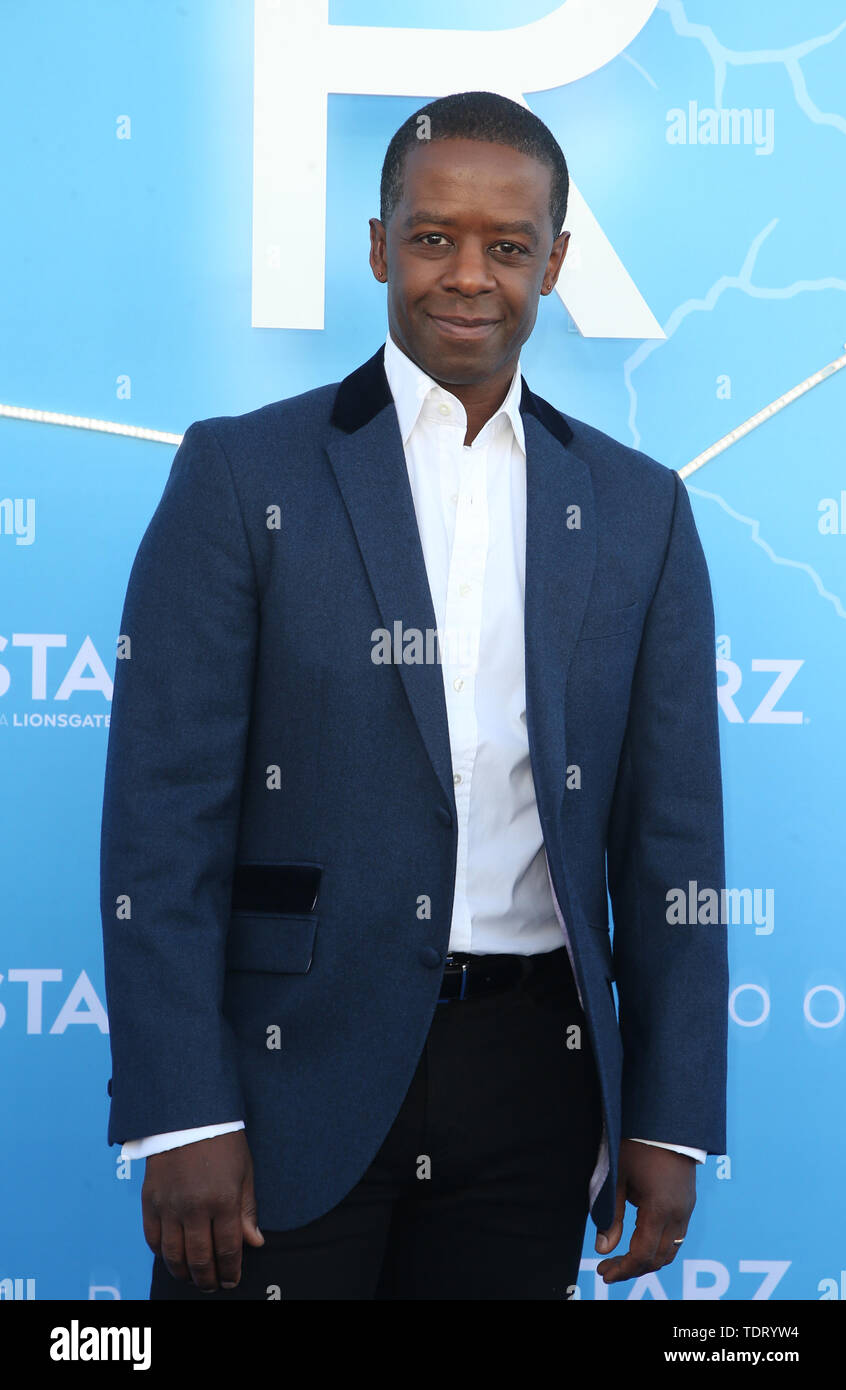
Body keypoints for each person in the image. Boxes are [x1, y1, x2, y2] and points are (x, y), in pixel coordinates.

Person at [100, 90, 727, 1301]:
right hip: (291, 1073)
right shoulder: (241, 474)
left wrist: (669, 1114)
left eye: (506, 244)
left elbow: (673, 843)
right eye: (434, 236)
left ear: (556, 261)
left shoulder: (642, 511)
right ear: (380, 245)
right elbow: (162, 819)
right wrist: (181, 1112)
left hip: (533, 1078)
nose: (469, 275)